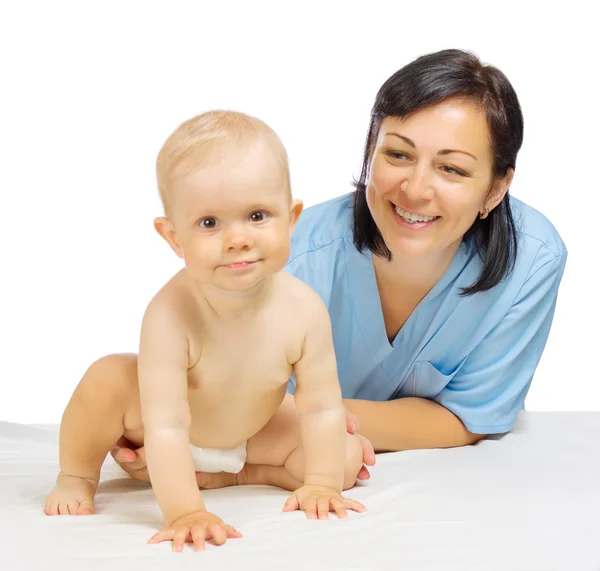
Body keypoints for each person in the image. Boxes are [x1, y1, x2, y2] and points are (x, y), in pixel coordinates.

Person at [112, 48, 566, 488]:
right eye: (398, 155)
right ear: (371, 149)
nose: (416, 189)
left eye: (452, 169)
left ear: (496, 188)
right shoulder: (290, 251)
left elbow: (470, 419)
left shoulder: (533, 260)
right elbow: (218, 392)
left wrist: (319, 424)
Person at [44, 110, 366, 551]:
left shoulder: (304, 310)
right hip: (160, 437)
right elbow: (167, 425)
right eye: (210, 223)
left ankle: (240, 474)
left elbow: (322, 408)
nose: (237, 238)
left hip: (251, 435)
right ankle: (76, 475)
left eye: (257, 215)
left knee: (344, 454)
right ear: (174, 237)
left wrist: (324, 484)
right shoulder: (169, 314)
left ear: (291, 219)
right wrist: (185, 512)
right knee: (107, 377)